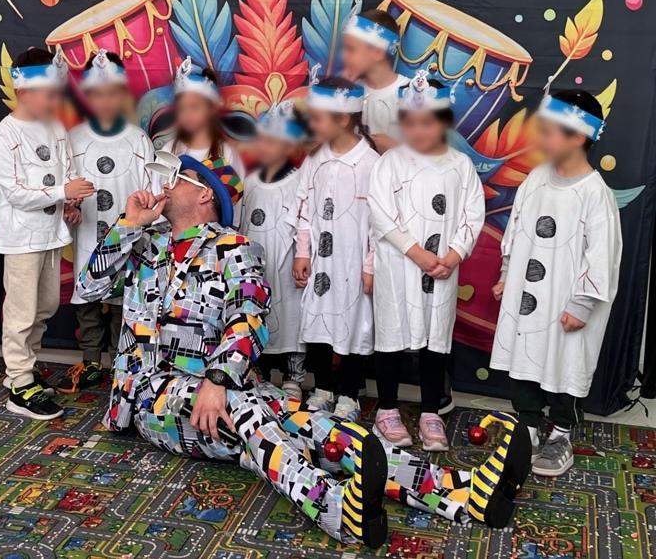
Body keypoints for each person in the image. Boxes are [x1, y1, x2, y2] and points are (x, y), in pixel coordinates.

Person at [77, 150, 531, 546]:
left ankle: (458, 491)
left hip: (221, 387)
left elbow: (249, 317)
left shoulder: (234, 249)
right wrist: (128, 224)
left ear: (204, 193)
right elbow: (89, 287)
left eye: (178, 178)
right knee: (247, 414)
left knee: (312, 424)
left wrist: (216, 379)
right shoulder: (143, 243)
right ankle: (332, 505)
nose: (164, 185)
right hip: (147, 395)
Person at [490, 88, 621, 477]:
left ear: (577, 136)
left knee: (566, 363)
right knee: (525, 355)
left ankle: (561, 432)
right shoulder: (536, 179)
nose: (540, 139)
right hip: (527, 295)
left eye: (548, 131)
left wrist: (582, 304)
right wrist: (507, 273)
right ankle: (528, 426)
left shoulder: (595, 194)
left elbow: (602, 256)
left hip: (567, 303)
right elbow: (516, 228)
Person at [367, 72, 484, 450]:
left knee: (436, 340)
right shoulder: (390, 163)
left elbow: (472, 215)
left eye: (429, 122)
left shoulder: (460, 166)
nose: (420, 131)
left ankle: (431, 412)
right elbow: (380, 213)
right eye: (412, 123)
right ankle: (387, 409)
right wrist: (415, 251)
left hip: (442, 269)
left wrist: (453, 255)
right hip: (399, 266)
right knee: (392, 337)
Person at [0, 48, 94, 419]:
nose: (54, 100)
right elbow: (14, 192)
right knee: (21, 310)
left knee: (45, 305)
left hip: (51, 234)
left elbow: (67, 171)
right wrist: (63, 191)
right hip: (21, 237)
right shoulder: (6, 133)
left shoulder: (55, 128)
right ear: (23, 92)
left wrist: (71, 202)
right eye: (48, 93)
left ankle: (25, 368)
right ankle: (19, 384)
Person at [58, 50, 154, 394]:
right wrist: (69, 208)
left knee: (120, 303)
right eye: (97, 94)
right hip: (87, 236)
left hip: (126, 241)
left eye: (112, 93)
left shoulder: (137, 140)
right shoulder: (74, 139)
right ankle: (90, 362)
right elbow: (65, 188)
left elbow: (151, 192)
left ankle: (120, 363)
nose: (105, 101)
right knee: (87, 303)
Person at [292, 75, 378, 421]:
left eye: (318, 117)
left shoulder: (371, 164)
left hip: (352, 265)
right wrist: (302, 251)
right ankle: (323, 387)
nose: (312, 124)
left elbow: (379, 223)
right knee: (317, 321)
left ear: (342, 119)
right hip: (320, 263)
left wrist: (369, 266)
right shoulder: (315, 159)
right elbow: (303, 208)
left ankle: (348, 393)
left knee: (354, 324)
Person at [240, 101, 306, 400]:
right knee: (257, 314)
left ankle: (294, 376)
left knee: (290, 315)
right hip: (256, 263)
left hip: (287, 263)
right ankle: (261, 372)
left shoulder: (298, 181)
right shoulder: (250, 181)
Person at [340, 2, 409, 153]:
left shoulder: (411, 94)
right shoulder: (349, 90)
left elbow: (435, 156)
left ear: (378, 53)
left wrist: (396, 149)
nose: (343, 56)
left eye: (351, 49)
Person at [166, 56, 244, 183]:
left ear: (212, 109)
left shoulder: (226, 153)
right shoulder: (168, 150)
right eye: (181, 108)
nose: (187, 114)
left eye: (194, 107)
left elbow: (235, 193)